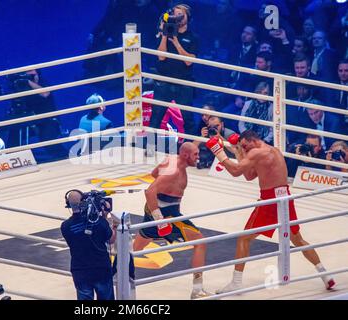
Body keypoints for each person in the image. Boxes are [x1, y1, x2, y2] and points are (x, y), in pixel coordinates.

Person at [205, 130, 336, 294]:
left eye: (244, 146)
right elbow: (249, 175)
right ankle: (325, 275)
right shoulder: (272, 150)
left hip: (271, 201)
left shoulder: (255, 152)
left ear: (252, 140)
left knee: (244, 239)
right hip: (285, 198)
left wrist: (219, 152)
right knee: (298, 239)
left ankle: (236, 283)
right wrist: (238, 151)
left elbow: (236, 171)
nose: (244, 150)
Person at [132, 142, 209, 299]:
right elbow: (149, 191)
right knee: (200, 242)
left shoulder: (172, 159)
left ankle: (117, 266)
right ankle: (197, 290)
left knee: (144, 240)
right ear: (186, 155)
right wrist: (160, 220)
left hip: (153, 207)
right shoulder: (173, 171)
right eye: (196, 154)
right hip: (167, 213)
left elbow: (154, 173)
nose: (198, 157)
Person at [148, 3, 197, 150]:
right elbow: (161, 57)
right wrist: (165, 35)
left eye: (181, 14)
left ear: (188, 18)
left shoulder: (193, 38)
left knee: (187, 118)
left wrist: (176, 42)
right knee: (156, 116)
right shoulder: (164, 33)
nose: (178, 17)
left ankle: (189, 150)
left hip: (183, 82)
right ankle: (150, 148)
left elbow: (189, 61)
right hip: (164, 81)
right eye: (175, 13)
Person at [61, 190, 116, 300]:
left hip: (80, 269)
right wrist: (107, 220)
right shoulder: (98, 221)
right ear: (84, 202)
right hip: (100, 267)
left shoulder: (65, 226)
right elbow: (111, 239)